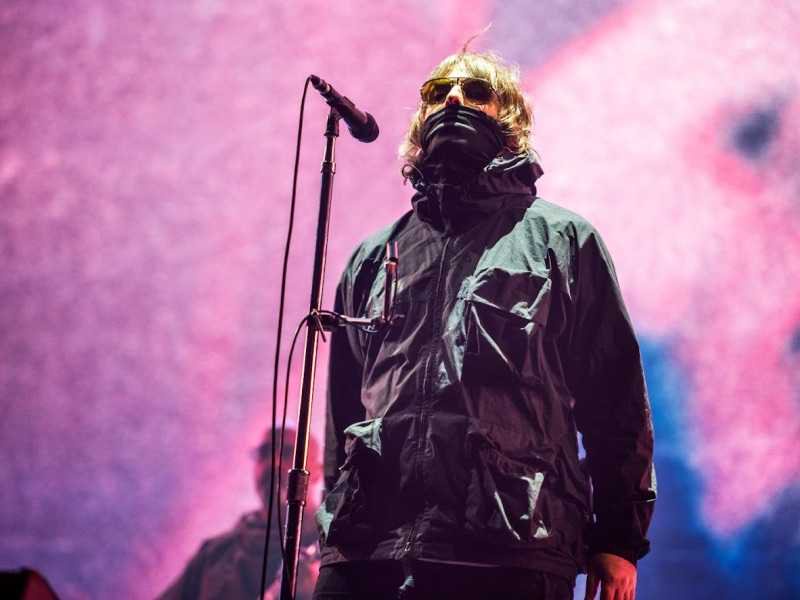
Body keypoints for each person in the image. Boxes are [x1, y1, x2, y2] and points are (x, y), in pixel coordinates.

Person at [313, 49, 656, 600]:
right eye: (438, 92)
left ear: (510, 119)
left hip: (507, 544)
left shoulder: (563, 242)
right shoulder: (375, 255)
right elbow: (344, 409)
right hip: (371, 548)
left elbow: (615, 398)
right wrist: (337, 528)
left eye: (475, 92)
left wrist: (618, 536)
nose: (454, 99)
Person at [158, 426, 321, 600]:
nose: (273, 463)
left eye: (288, 453)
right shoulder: (215, 553)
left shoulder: (332, 546)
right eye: (264, 454)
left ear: (318, 471)